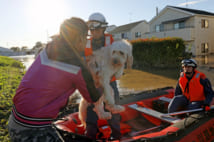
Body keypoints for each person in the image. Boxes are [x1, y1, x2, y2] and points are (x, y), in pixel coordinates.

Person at [8, 17, 102, 142]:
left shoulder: (47, 49)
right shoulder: (79, 68)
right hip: (32, 128)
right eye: (86, 38)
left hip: (15, 118)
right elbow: (93, 98)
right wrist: (99, 80)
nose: (86, 42)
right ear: (80, 38)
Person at [84, 12, 121, 140]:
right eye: (91, 29)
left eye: (97, 29)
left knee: (113, 111)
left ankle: (116, 136)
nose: (94, 32)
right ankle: (90, 137)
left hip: (109, 83)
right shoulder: (85, 44)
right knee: (91, 112)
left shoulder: (112, 43)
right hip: (93, 84)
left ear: (104, 28)